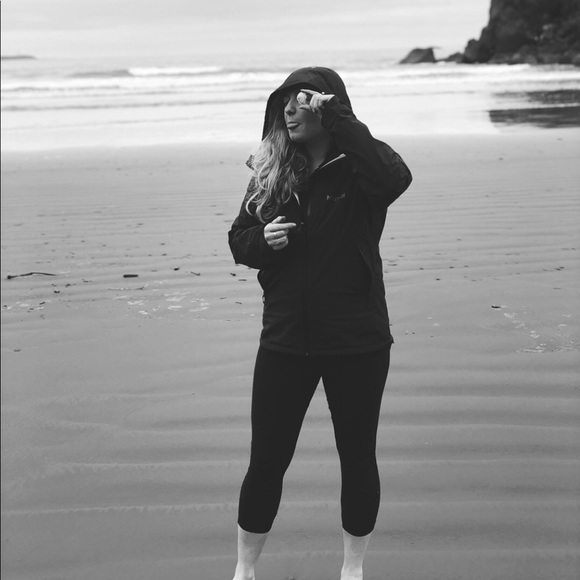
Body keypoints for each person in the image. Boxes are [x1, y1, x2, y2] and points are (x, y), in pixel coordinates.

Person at [227, 66, 412, 580]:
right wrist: (264, 242)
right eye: (284, 101)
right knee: (267, 461)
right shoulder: (271, 173)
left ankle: (352, 570)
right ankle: (244, 570)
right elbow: (239, 239)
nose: (289, 110)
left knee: (357, 458)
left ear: (328, 107)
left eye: (302, 100)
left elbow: (396, 179)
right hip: (285, 339)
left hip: (357, 340)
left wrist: (338, 116)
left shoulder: (361, 170)